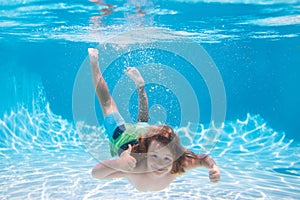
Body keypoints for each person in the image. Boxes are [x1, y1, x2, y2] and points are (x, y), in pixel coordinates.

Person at [88, 48, 220, 192]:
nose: (159, 164)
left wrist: (213, 167)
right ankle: (94, 62)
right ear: (145, 152)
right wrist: (120, 163)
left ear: (175, 157)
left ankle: (140, 85)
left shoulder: (180, 164)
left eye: (166, 159)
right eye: (154, 156)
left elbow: (203, 159)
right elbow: (96, 173)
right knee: (107, 103)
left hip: (141, 136)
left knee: (143, 121)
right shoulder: (134, 165)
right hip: (123, 138)